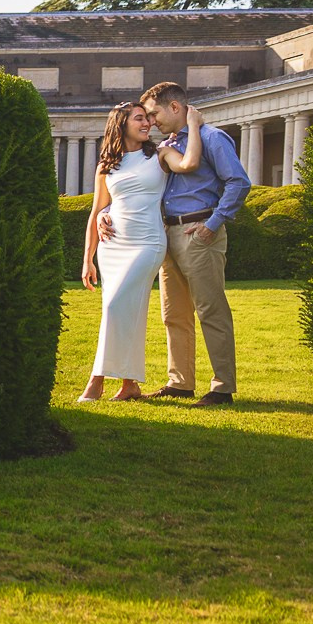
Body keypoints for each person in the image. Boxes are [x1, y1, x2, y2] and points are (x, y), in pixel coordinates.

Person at [99, 82, 251, 406]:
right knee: (174, 314)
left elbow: (239, 182)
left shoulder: (211, 138)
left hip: (199, 233)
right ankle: (180, 382)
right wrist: (107, 212)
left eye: (154, 113)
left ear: (175, 108)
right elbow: (141, 188)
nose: (150, 121)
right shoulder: (164, 146)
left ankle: (222, 387)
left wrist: (212, 225)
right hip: (167, 236)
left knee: (211, 311)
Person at [79, 99, 205, 402]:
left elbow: (189, 164)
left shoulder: (160, 156)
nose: (146, 123)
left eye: (147, 118)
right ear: (121, 125)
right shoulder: (106, 166)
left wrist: (195, 127)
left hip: (147, 243)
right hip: (112, 247)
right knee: (125, 311)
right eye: (139, 118)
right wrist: (88, 259)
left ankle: (96, 380)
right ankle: (130, 384)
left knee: (115, 307)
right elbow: (97, 209)